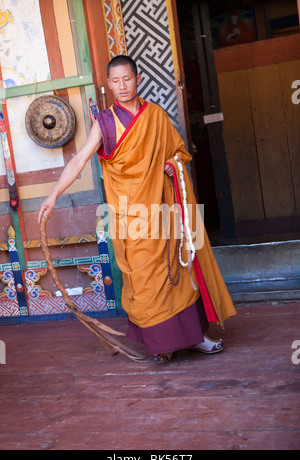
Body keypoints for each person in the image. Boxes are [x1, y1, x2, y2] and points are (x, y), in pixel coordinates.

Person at [38, 55, 236, 364]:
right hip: (130, 217)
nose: (121, 86)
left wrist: (172, 164)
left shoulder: (155, 115)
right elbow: (78, 161)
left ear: (138, 79)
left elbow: (178, 152)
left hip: (163, 209)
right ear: (109, 84)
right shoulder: (104, 122)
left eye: (127, 79)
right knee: (145, 280)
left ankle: (196, 337)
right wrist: (53, 194)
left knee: (179, 274)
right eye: (115, 81)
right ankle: (163, 342)